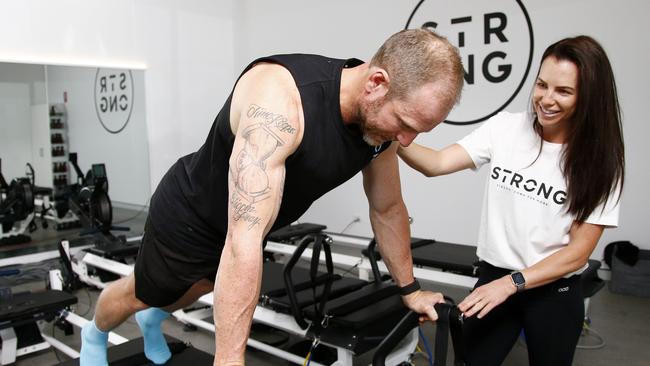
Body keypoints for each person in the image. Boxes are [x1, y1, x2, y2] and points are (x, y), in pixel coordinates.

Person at [79, 28, 464, 366]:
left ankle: (155, 316)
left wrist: (410, 290)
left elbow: (387, 207)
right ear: (376, 83)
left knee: (200, 286)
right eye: (406, 124)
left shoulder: (379, 127)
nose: (408, 141)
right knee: (141, 294)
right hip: (189, 215)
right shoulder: (281, 103)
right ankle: (94, 333)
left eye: (420, 132)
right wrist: (230, 359)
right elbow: (241, 241)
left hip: (241, 229)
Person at [398, 35, 625, 366]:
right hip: (494, 278)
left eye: (563, 91)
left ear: (588, 97)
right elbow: (437, 163)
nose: (546, 99)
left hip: (552, 293)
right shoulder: (506, 128)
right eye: (542, 85)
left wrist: (514, 283)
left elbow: (578, 252)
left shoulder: (600, 162)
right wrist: (389, 133)